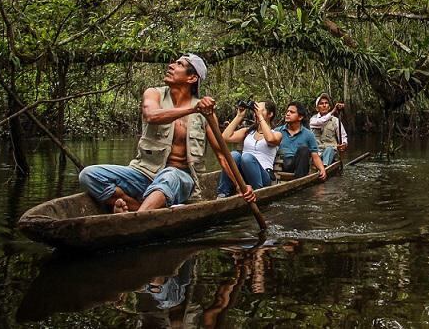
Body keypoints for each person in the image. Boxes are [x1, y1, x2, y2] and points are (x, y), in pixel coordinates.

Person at [78, 54, 254, 213]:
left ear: (192, 77)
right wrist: (192, 109)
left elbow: (222, 156)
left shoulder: (205, 114)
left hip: (181, 179)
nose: (171, 65)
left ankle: (135, 219)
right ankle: (140, 208)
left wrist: (240, 186)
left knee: (170, 174)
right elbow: (151, 116)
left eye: (179, 64)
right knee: (89, 175)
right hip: (143, 173)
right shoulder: (154, 94)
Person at [216, 100, 282, 196]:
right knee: (234, 155)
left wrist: (260, 117)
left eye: (260, 110)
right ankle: (222, 193)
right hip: (243, 176)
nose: (256, 113)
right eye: (255, 110)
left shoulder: (276, 134)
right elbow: (225, 137)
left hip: (263, 176)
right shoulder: (248, 131)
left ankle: (257, 192)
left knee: (247, 157)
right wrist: (239, 116)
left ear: (270, 114)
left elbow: (270, 139)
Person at [274, 102, 326, 180]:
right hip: (282, 165)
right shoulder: (277, 131)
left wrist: (322, 169)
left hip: (299, 166)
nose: (287, 114)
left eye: (292, 112)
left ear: (300, 117)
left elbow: (315, 156)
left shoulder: (308, 134)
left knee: (304, 149)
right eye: (287, 111)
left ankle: (299, 182)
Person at [309, 92, 348, 166]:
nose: (324, 105)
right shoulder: (313, 120)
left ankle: (324, 167)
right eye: (321, 103)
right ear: (317, 108)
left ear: (329, 107)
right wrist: (334, 110)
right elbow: (321, 121)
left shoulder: (335, 120)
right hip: (317, 154)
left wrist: (344, 144)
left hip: (332, 152)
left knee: (329, 149)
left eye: (326, 103)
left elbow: (343, 136)